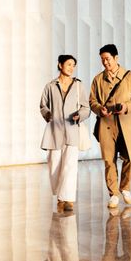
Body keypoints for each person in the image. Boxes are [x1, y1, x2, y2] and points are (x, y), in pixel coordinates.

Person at [89, 44, 131, 209]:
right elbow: (92, 101)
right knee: (109, 160)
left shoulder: (130, 77)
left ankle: (125, 188)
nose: (105, 63)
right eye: (102, 60)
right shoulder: (98, 80)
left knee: (130, 157)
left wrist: (126, 107)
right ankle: (113, 193)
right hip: (107, 124)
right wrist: (100, 109)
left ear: (116, 58)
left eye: (107, 59)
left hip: (126, 123)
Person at [40, 55, 91, 212]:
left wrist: (80, 115)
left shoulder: (78, 86)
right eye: (68, 64)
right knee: (54, 164)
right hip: (54, 130)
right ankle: (60, 195)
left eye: (73, 65)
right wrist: (48, 115)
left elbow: (86, 108)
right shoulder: (50, 86)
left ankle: (67, 199)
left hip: (72, 129)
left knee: (70, 166)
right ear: (60, 65)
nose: (71, 67)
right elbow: (43, 106)